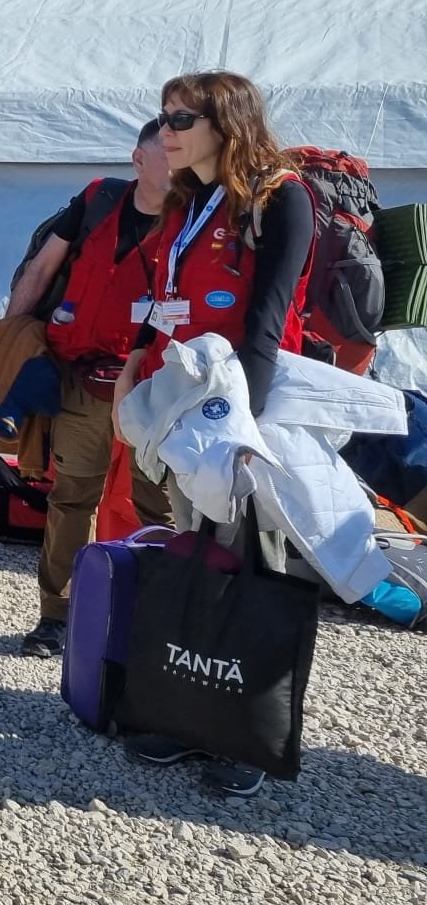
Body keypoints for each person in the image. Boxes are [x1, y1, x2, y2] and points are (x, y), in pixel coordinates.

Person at [112, 71, 318, 798]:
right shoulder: (191, 200)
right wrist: (139, 351)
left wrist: (243, 433)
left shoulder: (280, 197)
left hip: (241, 411)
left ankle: (247, 736)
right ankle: (190, 710)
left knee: (257, 567)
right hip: (183, 401)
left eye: (180, 117)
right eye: (161, 115)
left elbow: (265, 321)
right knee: (195, 551)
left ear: (225, 123)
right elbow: (169, 292)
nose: (164, 129)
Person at [7, 119, 175, 659]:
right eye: (167, 156)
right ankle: (56, 615)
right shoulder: (99, 199)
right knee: (72, 495)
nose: (179, 166)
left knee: (158, 506)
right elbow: (42, 267)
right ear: (138, 160)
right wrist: (9, 339)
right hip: (84, 379)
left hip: (156, 385)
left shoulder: (197, 218)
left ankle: (157, 617)